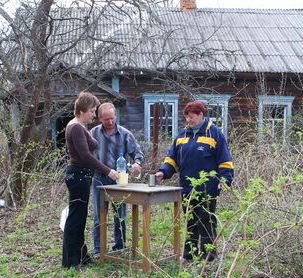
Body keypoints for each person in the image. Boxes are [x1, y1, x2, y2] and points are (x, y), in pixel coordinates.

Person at [155, 100, 234, 261]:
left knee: (206, 221)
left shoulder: (214, 133)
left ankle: (208, 257)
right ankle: (189, 255)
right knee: (190, 222)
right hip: (187, 188)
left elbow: (225, 160)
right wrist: (163, 172)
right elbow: (172, 159)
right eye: (186, 118)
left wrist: (225, 179)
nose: (188, 121)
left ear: (201, 115)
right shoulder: (182, 135)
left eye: (191, 117)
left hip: (208, 188)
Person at [62, 92, 119, 269]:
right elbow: (86, 156)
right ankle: (72, 261)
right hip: (78, 175)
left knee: (79, 218)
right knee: (75, 219)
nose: (94, 115)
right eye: (92, 111)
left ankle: (81, 256)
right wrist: (108, 171)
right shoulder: (77, 127)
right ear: (83, 110)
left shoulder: (77, 125)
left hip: (80, 175)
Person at [90, 103, 144, 257]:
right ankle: (98, 250)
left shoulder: (125, 134)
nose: (110, 122)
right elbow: (88, 157)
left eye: (112, 118)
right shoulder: (93, 133)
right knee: (99, 216)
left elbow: (137, 153)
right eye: (106, 119)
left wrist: (137, 164)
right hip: (99, 180)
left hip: (120, 181)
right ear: (100, 118)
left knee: (120, 216)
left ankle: (119, 248)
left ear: (116, 116)